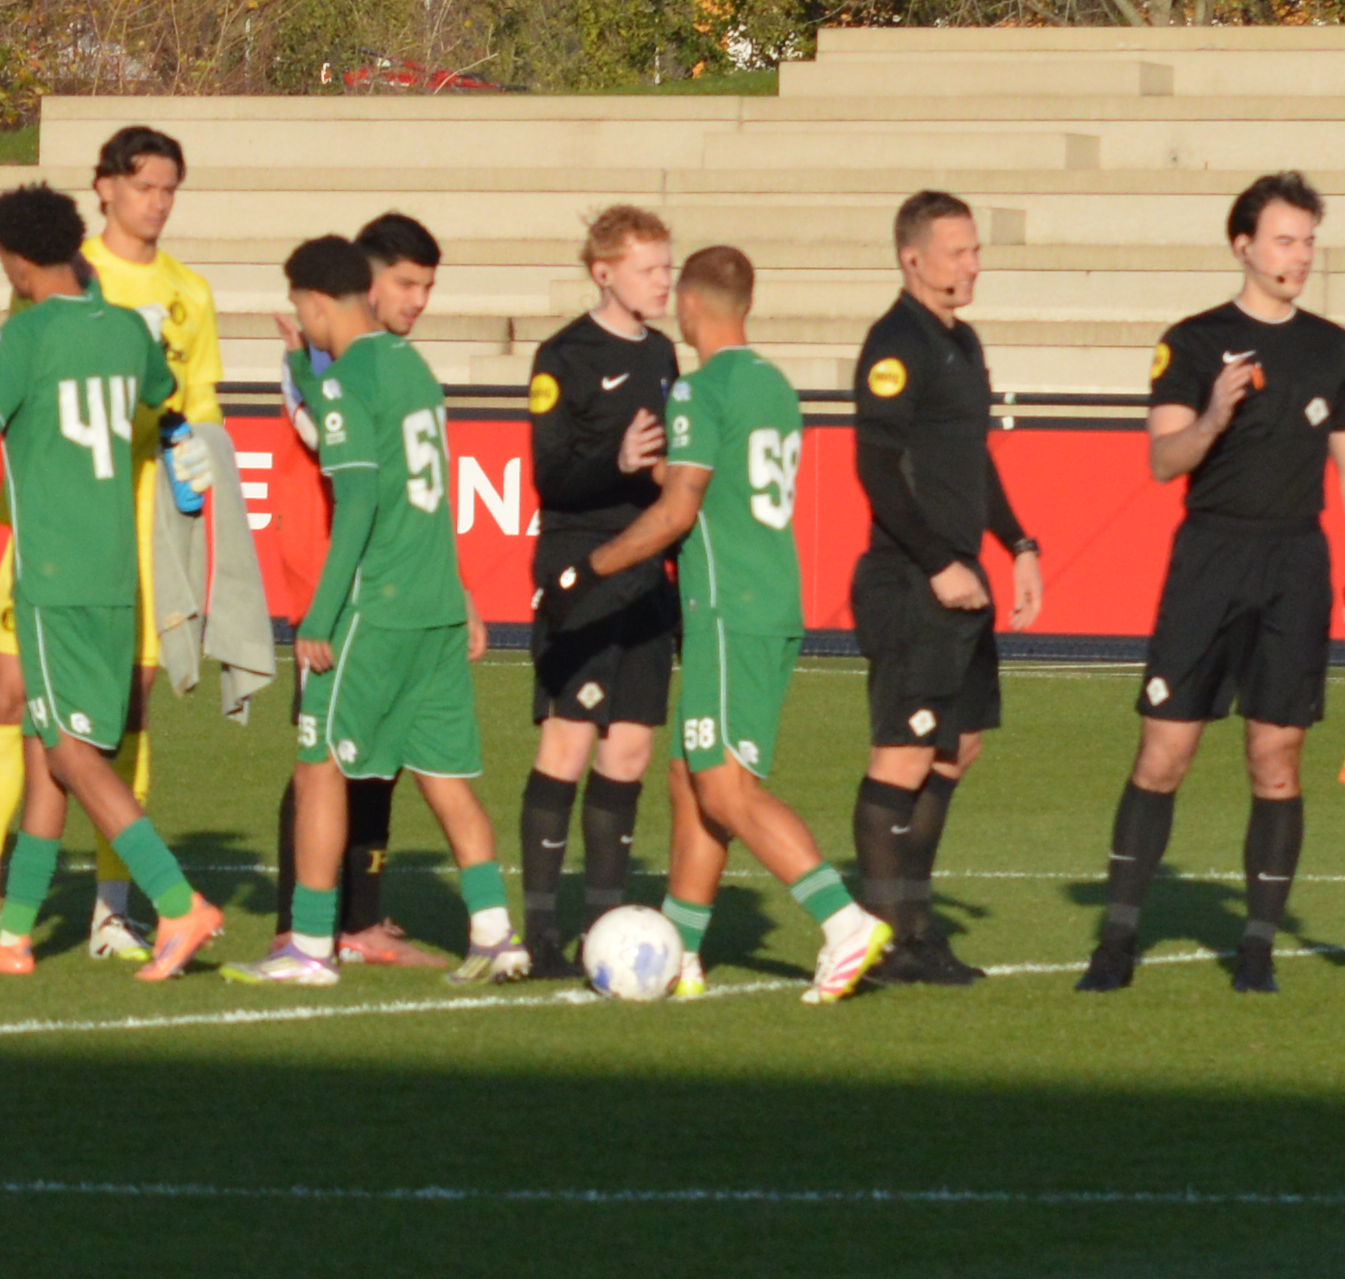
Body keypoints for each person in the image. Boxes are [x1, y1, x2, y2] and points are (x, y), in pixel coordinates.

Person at [0, 184, 222, 983]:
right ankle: (16, 934)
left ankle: (176, 901)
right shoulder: (127, 331)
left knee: (67, 751)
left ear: (21, 260)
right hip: (113, 572)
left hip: (52, 576)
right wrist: (188, 473)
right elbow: (171, 410)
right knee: (43, 746)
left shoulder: (23, 337)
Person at [1086, 172, 1345, 993]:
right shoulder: (1190, 342)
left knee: (1277, 759)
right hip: (1210, 562)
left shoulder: (1332, 348)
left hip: (1296, 563)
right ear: (1243, 246)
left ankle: (1255, 951)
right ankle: (1115, 942)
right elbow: (1162, 461)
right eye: (1286, 240)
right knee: (1165, 752)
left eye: (1308, 241)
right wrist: (1214, 416)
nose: (1300, 255)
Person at [569, 246, 893, 1002]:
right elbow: (717, 479)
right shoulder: (773, 385)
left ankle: (842, 923)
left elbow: (680, 510)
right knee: (690, 774)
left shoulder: (700, 388)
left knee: (723, 787)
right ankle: (680, 952)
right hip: (771, 598)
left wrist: (593, 567)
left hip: (727, 608)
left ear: (689, 306)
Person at [252, 226, 522, 985]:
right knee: (441, 774)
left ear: (313, 301)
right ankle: (496, 933)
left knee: (318, 768)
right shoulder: (415, 369)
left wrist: (320, 616)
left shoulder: (347, 380)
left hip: (379, 605)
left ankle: (308, 946)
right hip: (435, 603)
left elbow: (360, 499)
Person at [843, 189, 1036, 984]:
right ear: (911, 258)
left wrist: (1018, 542)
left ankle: (915, 929)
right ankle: (885, 940)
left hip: (962, 574)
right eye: (958, 252)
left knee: (957, 750)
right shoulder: (895, 343)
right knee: (903, 753)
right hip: (910, 578)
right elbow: (876, 468)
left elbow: (971, 461)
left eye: (975, 250)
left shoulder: (963, 341)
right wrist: (936, 562)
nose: (972, 264)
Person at [517, 205, 688, 972]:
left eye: (668, 268)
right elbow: (551, 475)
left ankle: (606, 928)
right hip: (583, 568)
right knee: (570, 740)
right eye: (650, 269)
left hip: (647, 575)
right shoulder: (565, 355)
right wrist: (615, 462)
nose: (664, 282)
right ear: (604, 273)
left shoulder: (663, 354)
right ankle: (543, 930)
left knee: (630, 751)